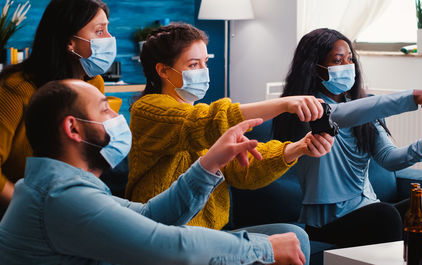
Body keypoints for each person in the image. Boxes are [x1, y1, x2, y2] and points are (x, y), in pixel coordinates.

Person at [0, 79, 309, 265]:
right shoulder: (59, 198)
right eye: (106, 109)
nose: (116, 117)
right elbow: (171, 248)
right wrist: (264, 248)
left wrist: (209, 163)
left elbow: (148, 216)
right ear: (73, 128)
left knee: (291, 236)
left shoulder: (46, 185)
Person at [273, 28, 422, 248]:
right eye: (338, 61)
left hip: (370, 209)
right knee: (386, 217)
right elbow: (339, 114)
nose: (348, 66)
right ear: (314, 67)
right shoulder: (302, 110)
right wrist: (413, 97)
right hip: (328, 223)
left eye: (350, 59)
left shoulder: (362, 108)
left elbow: (389, 159)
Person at [125, 23, 335, 231]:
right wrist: (284, 104)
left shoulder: (203, 121)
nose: (203, 71)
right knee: (294, 235)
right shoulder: (148, 111)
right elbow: (206, 121)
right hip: (164, 232)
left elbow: (243, 170)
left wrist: (299, 147)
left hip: (214, 233)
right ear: (163, 70)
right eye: (193, 65)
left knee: (294, 235)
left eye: (205, 62)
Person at [0, 0, 121, 213]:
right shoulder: (15, 89)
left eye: (108, 29)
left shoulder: (94, 84)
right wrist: (26, 208)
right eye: (100, 31)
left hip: (69, 201)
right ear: (69, 42)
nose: (110, 39)